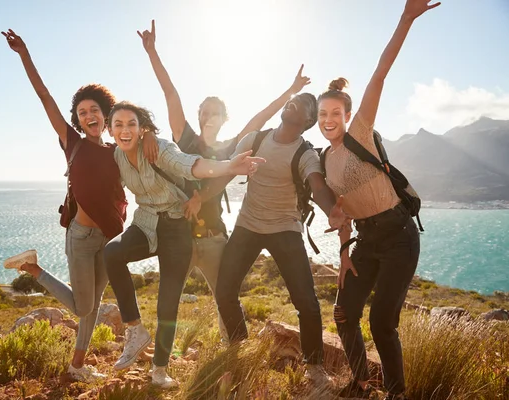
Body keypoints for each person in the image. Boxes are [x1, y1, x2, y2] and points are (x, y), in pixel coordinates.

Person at [137, 20, 312, 340]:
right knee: (169, 302)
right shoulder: (184, 141)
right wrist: (152, 53)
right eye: (204, 111)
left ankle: (236, 357)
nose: (208, 117)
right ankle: (161, 366)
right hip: (180, 238)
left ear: (223, 119)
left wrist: (291, 91)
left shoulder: (232, 147)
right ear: (199, 114)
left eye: (215, 113)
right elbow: (170, 92)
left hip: (216, 238)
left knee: (226, 301)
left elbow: (261, 117)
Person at [0, 29, 158, 383]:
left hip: (111, 239)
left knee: (93, 307)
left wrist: (147, 137)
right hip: (82, 237)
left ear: (106, 116)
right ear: (78, 119)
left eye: (95, 110)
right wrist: (25, 54)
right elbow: (44, 96)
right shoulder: (72, 142)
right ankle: (35, 268)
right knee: (83, 306)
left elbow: (143, 141)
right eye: (82, 111)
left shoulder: (120, 148)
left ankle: (77, 366)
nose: (88, 115)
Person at [316, 1, 440, 398]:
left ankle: (397, 392)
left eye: (335, 112)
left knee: (382, 322)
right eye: (322, 114)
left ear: (348, 115)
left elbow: (380, 74)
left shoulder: (360, 134)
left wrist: (406, 19)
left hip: (398, 235)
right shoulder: (324, 158)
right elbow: (344, 212)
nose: (327, 119)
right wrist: (344, 252)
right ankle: (360, 381)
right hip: (366, 242)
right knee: (343, 315)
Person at [102, 101, 265, 388]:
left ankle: (160, 370)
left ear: (141, 129)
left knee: (168, 301)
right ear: (110, 129)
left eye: (131, 124)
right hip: (145, 222)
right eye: (118, 125)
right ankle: (135, 330)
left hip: (176, 228)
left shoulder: (160, 148)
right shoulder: (116, 154)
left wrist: (229, 166)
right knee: (112, 252)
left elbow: (191, 166)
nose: (125, 130)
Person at [200, 90, 348, 388]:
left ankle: (315, 366)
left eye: (307, 103)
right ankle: (240, 347)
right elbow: (226, 173)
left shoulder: (304, 153)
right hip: (248, 226)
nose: (297, 100)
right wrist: (198, 199)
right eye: (298, 96)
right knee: (225, 290)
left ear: (307, 120)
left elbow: (317, 187)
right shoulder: (254, 139)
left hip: (285, 229)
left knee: (306, 302)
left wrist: (332, 210)